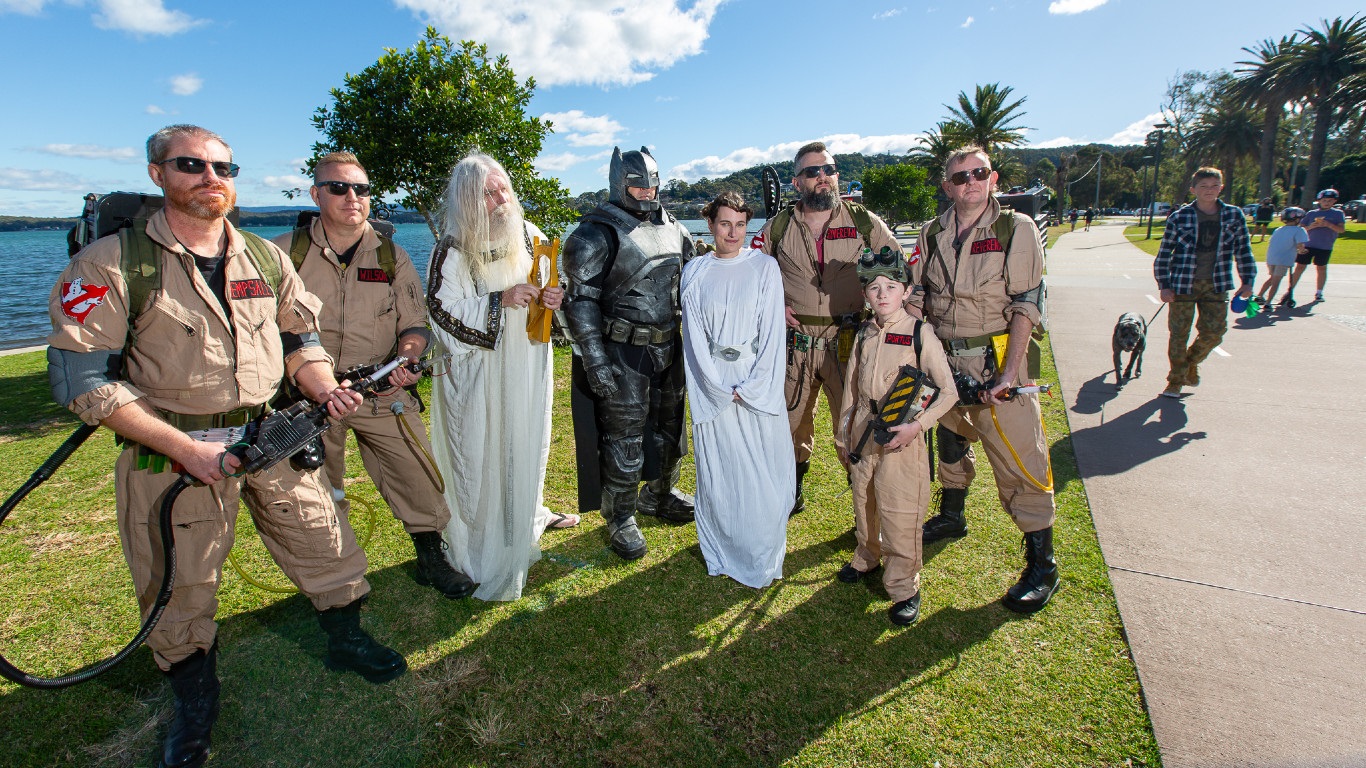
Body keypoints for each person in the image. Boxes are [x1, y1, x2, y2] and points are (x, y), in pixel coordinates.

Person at [46, 124, 405, 768]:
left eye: (224, 167)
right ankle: (194, 700)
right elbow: (82, 379)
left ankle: (346, 638)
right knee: (180, 579)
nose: (212, 179)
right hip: (172, 446)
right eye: (193, 165)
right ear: (159, 174)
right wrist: (183, 448)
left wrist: (322, 391)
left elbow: (303, 341)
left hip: (272, 434)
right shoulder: (111, 263)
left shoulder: (266, 258)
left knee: (324, 539)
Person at [269, 151, 475, 600]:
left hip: (379, 391)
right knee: (320, 492)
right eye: (338, 188)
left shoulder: (389, 254)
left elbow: (414, 323)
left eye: (361, 189)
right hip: (310, 400)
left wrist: (407, 356)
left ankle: (430, 557)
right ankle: (337, 585)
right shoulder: (282, 253)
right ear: (316, 194)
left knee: (417, 473)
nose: (352, 198)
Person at [914, 145, 1060, 614]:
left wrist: (1010, 373)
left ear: (992, 178)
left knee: (1019, 456)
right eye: (959, 177)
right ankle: (952, 515)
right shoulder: (931, 233)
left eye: (978, 173)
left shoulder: (1015, 229)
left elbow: (1026, 304)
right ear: (947, 186)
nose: (969, 183)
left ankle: (1043, 564)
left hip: (996, 360)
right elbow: (920, 294)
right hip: (946, 363)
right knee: (952, 439)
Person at [425, 152, 574, 601]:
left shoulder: (532, 237)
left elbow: (551, 289)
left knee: (526, 441)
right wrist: (499, 299)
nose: (498, 199)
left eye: (501, 189)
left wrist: (553, 297)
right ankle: (477, 546)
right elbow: (440, 309)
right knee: (480, 450)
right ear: (469, 200)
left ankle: (522, 524)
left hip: (527, 365)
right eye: (486, 194)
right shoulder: (453, 245)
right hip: (478, 374)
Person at [751, 141, 907, 516]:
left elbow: (901, 272)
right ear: (795, 182)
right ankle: (792, 491)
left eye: (829, 170)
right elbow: (751, 281)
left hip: (849, 341)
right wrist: (773, 306)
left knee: (855, 424)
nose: (822, 177)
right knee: (791, 422)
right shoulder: (777, 228)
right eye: (812, 171)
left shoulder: (864, 223)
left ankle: (866, 511)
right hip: (794, 346)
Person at [561, 146, 696, 561]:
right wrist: (596, 359)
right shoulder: (593, 234)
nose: (646, 191)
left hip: (668, 345)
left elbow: (693, 282)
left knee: (670, 426)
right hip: (621, 350)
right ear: (618, 183)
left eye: (653, 182)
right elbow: (579, 301)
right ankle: (620, 515)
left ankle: (660, 492)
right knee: (624, 436)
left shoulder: (675, 228)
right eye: (637, 183)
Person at [836, 247, 956, 625]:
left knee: (900, 510)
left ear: (905, 291)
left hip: (902, 437)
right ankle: (866, 556)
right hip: (863, 433)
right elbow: (852, 390)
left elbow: (947, 392)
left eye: (891, 286)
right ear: (866, 296)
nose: (882, 294)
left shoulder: (921, 334)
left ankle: (904, 584)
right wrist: (843, 435)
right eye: (874, 289)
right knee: (864, 500)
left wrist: (916, 427)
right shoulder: (865, 332)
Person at [681, 192, 793, 588]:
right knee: (723, 468)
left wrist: (755, 386)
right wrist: (713, 387)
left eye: (741, 224)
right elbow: (692, 336)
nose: (733, 233)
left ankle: (760, 550)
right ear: (709, 225)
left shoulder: (764, 267)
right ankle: (724, 549)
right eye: (724, 224)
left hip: (753, 377)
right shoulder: (694, 271)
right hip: (713, 379)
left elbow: (773, 334)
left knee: (763, 469)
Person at [1153, 167, 1256, 398]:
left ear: (1221, 187)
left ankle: (1190, 363)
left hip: (1216, 283)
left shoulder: (1234, 215)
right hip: (1182, 283)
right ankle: (1175, 381)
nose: (1209, 190)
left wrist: (1247, 281)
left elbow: (1243, 250)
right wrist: (1164, 285)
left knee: (1215, 332)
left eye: (1214, 186)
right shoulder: (1179, 217)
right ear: (1193, 190)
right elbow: (1164, 253)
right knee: (1179, 333)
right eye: (1203, 186)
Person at [1283, 188, 1346, 305]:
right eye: (1324, 200)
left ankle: (1319, 292)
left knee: (1321, 268)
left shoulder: (1338, 214)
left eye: (1330, 201)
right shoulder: (1312, 214)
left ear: (1334, 202)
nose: (1326, 203)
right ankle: (1290, 291)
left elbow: (1341, 230)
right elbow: (1301, 229)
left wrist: (1327, 224)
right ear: (1319, 201)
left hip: (1325, 246)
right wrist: (1311, 226)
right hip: (1308, 245)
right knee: (1300, 267)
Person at [1256, 207, 1307, 310]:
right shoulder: (1299, 230)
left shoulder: (1278, 229)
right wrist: (1302, 251)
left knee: (1271, 278)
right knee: (1276, 281)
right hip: (1284, 259)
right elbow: (1300, 245)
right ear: (1297, 219)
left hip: (1271, 258)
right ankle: (1268, 303)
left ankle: (1260, 296)